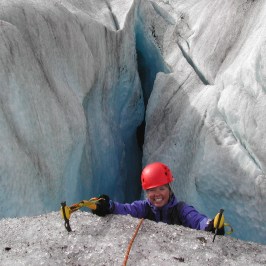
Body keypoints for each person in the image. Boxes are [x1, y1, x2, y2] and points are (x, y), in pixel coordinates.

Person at [92, 162, 224, 235]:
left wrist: (210, 225)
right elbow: (125, 209)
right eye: (152, 190)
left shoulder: (181, 209)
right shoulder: (143, 207)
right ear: (146, 192)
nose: (157, 194)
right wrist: (108, 206)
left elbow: (196, 219)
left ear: (169, 189)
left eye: (162, 188)